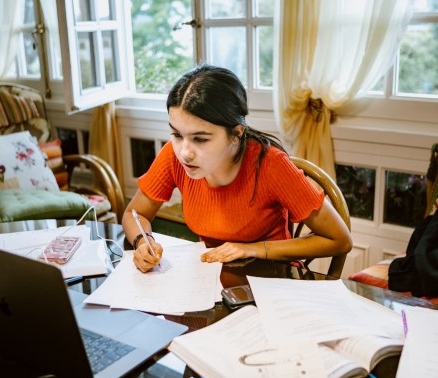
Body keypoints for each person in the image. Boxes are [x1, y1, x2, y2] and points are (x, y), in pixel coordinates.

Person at [122, 64, 352, 273]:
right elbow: (136, 213)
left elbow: (340, 240)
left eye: (200, 139)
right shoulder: (174, 156)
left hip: (272, 277)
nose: (184, 152)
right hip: (212, 275)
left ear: (236, 134)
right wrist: (143, 242)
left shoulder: (271, 165)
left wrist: (252, 249)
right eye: (177, 134)